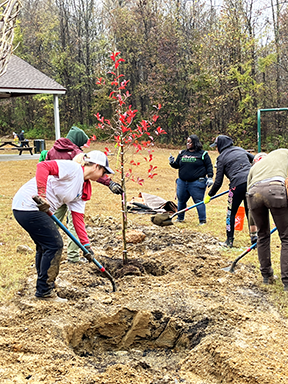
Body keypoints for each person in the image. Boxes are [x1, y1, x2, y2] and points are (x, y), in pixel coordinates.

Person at [12, 150, 114, 302]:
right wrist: (42, 194)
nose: (102, 177)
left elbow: (78, 219)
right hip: (28, 205)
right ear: (96, 167)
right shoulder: (72, 169)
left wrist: (86, 246)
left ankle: (43, 287)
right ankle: (45, 291)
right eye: (103, 172)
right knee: (54, 245)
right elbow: (43, 166)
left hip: (31, 209)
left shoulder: (82, 189)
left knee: (45, 246)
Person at [40, 126, 123, 263]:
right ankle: (73, 256)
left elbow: (47, 167)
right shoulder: (77, 153)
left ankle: (43, 248)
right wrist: (109, 183)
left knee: (52, 221)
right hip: (74, 193)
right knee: (74, 224)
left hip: (56, 193)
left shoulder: (52, 150)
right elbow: (92, 171)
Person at [246, 148, 288, 291]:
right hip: (275, 190)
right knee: (286, 237)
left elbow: (248, 192)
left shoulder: (256, 167)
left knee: (262, 235)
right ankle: (287, 281)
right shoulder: (285, 155)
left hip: (253, 194)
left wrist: (253, 226)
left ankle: (266, 276)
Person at [204, 135, 254, 247]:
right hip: (251, 182)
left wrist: (209, 195)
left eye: (216, 146)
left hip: (236, 185)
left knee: (230, 213)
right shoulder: (240, 150)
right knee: (250, 211)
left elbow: (218, 182)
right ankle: (255, 239)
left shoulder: (221, 158)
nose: (216, 149)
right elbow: (255, 159)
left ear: (220, 146)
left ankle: (229, 241)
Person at [169, 134, 213, 225]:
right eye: (187, 142)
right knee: (181, 200)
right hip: (182, 182)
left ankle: (202, 220)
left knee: (198, 201)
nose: (188, 144)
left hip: (196, 182)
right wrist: (172, 162)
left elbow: (209, 166)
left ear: (195, 143)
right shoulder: (182, 153)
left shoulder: (203, 154)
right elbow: (177, 165)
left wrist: (210, 177)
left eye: (190, 142)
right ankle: (180, 218)